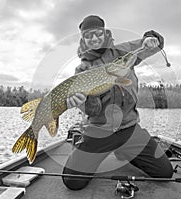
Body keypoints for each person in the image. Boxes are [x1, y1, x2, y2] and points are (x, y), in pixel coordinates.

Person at [62, 15, 173, 190]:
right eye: (88, 36)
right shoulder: (82, 69)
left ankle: (124, 150)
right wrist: (86, 99)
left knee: (165, 172)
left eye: (98, 33)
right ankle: (97, 147)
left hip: (129, 129)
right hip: (99, 132)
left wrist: (152, 38)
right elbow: (92, 111)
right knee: (72, 181)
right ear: (83, 39)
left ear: (105, 33)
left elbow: (150, 44)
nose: (94, 39)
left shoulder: (123, 52)